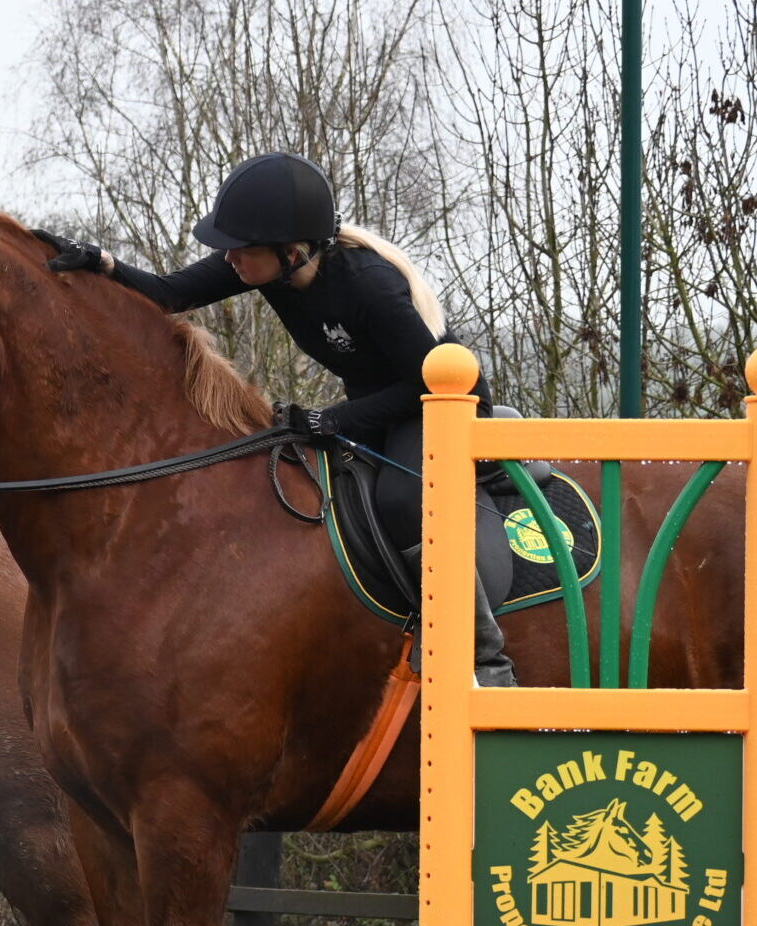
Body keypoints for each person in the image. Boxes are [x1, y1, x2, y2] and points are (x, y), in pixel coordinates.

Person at [37, 152, 516, 687]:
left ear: (290, 252)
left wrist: (334, 420)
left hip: (437, 402)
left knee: (403, 503)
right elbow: (169, 294)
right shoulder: (262, 267)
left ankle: (481, 655)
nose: (230, 260)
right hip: (376, 403)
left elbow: (427, 384)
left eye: (242, 251)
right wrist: (103, 264)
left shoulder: (369, 286)